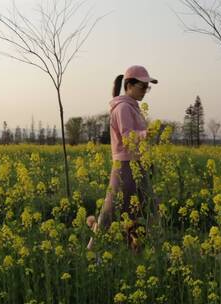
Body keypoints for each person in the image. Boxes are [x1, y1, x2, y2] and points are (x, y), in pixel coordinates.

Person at [87, 65, 158, 250]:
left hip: (137, 163)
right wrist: (145, 134)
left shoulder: (132, 107)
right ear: (129, 85)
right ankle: (92, 250)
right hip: (125, 165)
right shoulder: (123, 108)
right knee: (112, 210)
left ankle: (140, 249)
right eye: (142, 86)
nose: (145, 91)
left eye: (147, 87)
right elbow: (127, 137)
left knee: (146, 209)